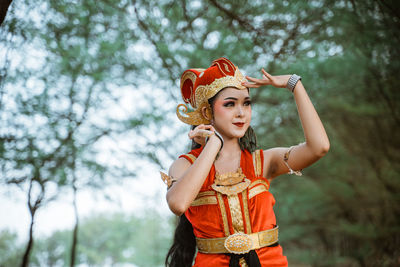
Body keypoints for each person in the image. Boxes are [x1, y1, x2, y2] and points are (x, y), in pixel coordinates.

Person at [161, 57, 330, 267]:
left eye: (246, 103)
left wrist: (294, 84)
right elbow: (177, 204)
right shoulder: (185, 166)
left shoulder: (264, 162)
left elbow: (319, 147)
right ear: (207, 112)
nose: (241, 113)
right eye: (230, 104)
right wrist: (213, 144)